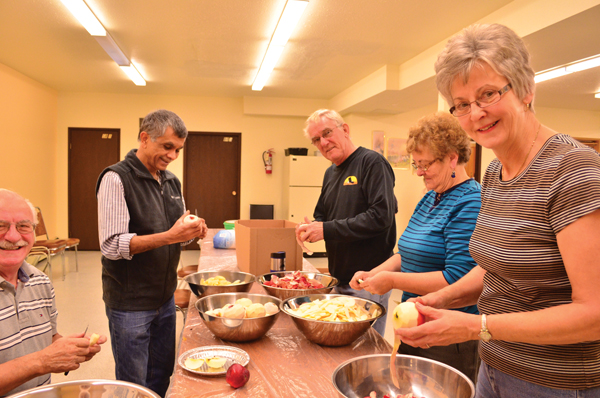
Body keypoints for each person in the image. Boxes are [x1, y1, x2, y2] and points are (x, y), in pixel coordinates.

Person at [394, 23, 600, 397]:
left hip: (556, 383)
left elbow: (594, 314)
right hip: (493, 366)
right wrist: (443, 298)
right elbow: (494, 266)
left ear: (524, 90)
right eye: (461, 104)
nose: (476, 114)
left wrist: (476, 326)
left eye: (488, 94)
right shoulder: (494, 172)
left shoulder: (573, 169)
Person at [349, 112, 481, 383]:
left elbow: (456, 279)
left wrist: (393, 281)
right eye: (415, 164)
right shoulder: (430, 197)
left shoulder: (470, 202)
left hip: (447, 336)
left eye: (425, 164)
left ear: (452, 158)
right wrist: (373, 274)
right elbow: (405, 254)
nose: (419, 172)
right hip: (413, 323)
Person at [96, 109, 207, 397]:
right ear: (145, 138)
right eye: (167, 146)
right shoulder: (116, 178)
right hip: (130, 303)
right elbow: (112, 245)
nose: (172, 155)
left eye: (178, 149)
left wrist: (189, 231)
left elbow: (175, 237)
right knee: (134, 384)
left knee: (161, 374)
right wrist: (171, 235)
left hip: (165, 297)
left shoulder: (170, 181)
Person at [296, 109, 398, 336]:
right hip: (339, 280)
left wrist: (326, 228)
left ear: (345, 129)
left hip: (368, 281)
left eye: (327, 133)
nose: (323, 142)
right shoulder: (330, 173)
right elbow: (322, 215)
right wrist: (311, 228)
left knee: (364, 354)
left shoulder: (372, 163)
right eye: (316, 140)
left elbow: (380, 217)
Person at [0, 189, 107, 396]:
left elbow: (47, 338)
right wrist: (42, 361)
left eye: (23, 226)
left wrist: (69, 348)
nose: (13, 236)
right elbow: (41, 359)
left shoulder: (39, 281)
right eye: (0, 226)